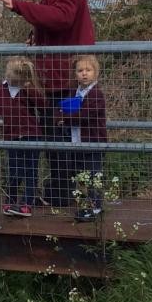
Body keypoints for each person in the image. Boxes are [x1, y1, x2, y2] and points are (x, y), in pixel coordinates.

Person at [0, 0, 95, 207]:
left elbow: (62, 18)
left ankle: (62, 193)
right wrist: (37, 39)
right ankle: (60, 191)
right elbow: (55, 23)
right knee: (56, 135)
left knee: (59, 134)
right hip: (58, 77)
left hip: (64, 79)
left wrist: (18, 6)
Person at [0, 57, 45, 218]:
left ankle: (27, 202)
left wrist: (30, 89)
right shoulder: (1, 90)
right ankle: (11, 199)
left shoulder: (28, 88)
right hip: (11, 136)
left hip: (31, 135)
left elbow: (42, 105)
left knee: (30, 171)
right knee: (14, 170)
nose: (8, 76)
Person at [57, 54, 107, 223]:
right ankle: (87, 204)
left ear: (95, 72)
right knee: (81, 174)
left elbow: (86, 115)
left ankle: (96, 207)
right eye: (80, 70)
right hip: (77, 140)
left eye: (88, 70)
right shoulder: (75, 92)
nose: (84, 73)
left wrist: (66, 119)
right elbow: (64, 108)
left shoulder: (96, 94)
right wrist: (61, 114)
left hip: (93, 142)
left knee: (93, 175)